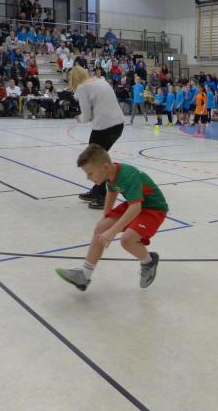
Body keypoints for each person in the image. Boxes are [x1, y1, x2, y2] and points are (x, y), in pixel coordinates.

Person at [55, 145, 166, 291]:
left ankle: (148, 261)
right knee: (101, 228)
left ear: (105, 167)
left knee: (127, 240)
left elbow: (136, 208)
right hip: (135, 203)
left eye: (90, 173)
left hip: (153, 209)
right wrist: (105, 219)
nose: (88, 178)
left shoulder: (128, 175)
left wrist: (112, 231)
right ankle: (84, 275)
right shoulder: (110, 174)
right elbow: (112, 192)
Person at [70, 66, 125, 209]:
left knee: (93, 160)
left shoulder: (82, 87)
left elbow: (86, 117)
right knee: (99, 159)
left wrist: (78, 117)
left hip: (104, 127)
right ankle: (97, 190)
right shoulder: (101, 80)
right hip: (118, 125)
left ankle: (102, 197)